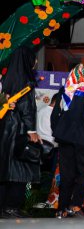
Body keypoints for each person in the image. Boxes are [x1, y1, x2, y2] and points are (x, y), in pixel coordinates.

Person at [52, 64, 84, 218]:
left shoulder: (64, 91)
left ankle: (62, 209)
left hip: (64, 138)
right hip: (80, 138)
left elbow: (54, 116)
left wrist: (58, 131)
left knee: (66, 174)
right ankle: (75, 205)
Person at [0, 46, 41, 218]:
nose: (36, 62)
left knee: (4, 170)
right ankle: (11, 206)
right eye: (34, 58)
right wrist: (31, 130)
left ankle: (3, 206)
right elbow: (27, 108)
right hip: (20, 130)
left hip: (4, 131)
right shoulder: (25, 80)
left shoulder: (7, 80)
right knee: (21, 169)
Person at [37, 93, 59, 173]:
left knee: (41, 173)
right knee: (50, 175)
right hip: (51, 148)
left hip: (39, 146)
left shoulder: (41, 110)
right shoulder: (54, 113)